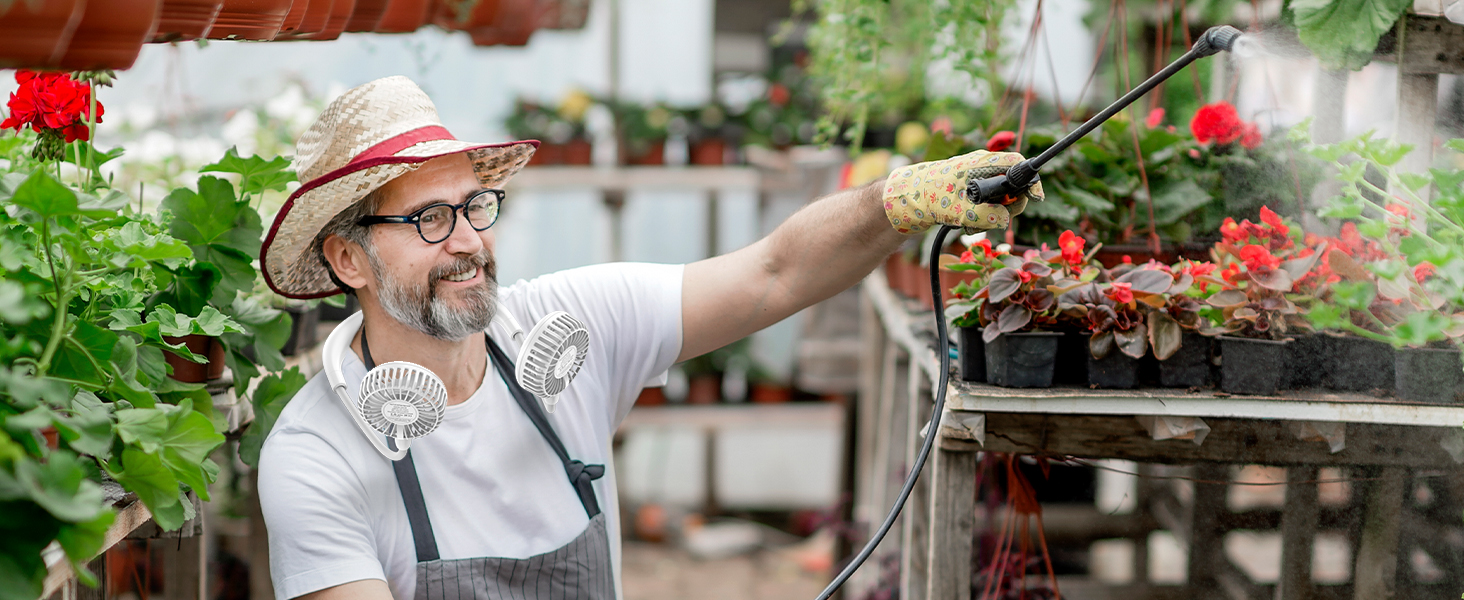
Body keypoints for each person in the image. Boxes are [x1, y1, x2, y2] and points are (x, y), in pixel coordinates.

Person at [256, 75, 1040, 600]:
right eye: (429, 219)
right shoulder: (316, 454)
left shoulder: (567, 330)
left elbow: (774, 273)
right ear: (347, 257)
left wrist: (897, 201)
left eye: (476, 206)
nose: (467, 241)